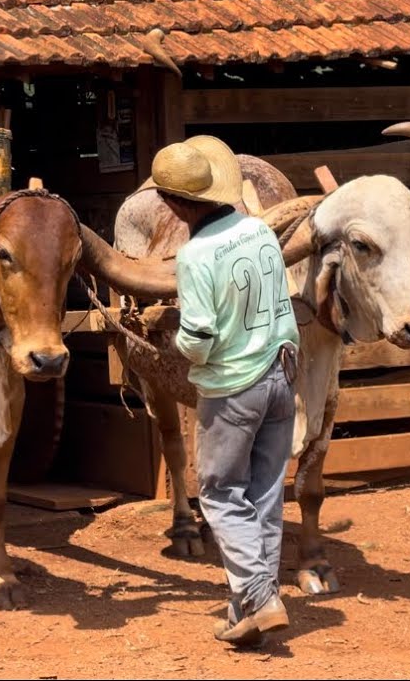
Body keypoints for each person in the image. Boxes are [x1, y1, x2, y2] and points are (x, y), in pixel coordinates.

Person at [138, 135, 300, 647]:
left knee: (220, 496)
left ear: (171, 203)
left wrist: (169, 327)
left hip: (234, 390)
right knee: (265, 494)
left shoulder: (195, 256)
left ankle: (258, 595)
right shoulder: (260, 231)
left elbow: (202, 342)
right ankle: (246, 609)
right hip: (281, 374)